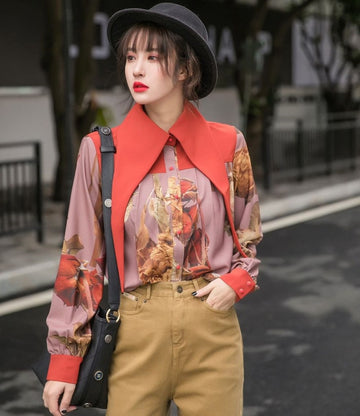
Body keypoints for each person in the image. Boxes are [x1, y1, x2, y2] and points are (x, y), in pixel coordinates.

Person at [42, 3, 262, 416]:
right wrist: (65, 359)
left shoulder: (228, 144)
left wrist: (237, 281)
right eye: (130, 57)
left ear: (184, 69)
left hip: (212, 331)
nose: (136, 70)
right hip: (134, 331)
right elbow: (81, 258)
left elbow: (247, 236)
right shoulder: (101, 150)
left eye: (153, 57)